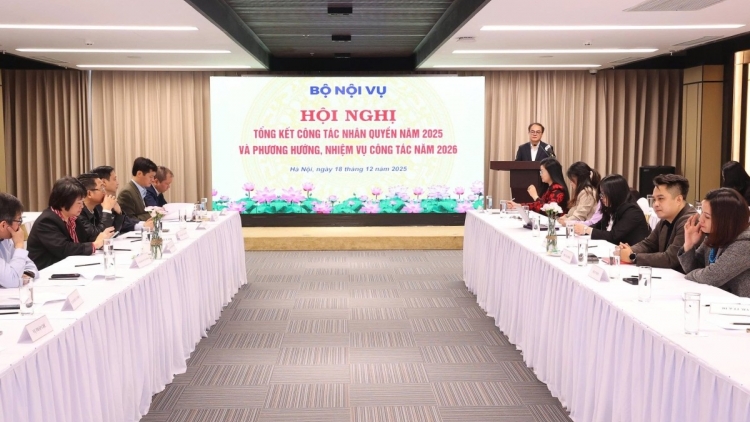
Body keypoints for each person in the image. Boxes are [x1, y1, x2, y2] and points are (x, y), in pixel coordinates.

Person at [27, 177, 114, 270]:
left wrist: (100, 239)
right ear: (64, 202)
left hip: (69, 267)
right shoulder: (47, 221)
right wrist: (95, 244)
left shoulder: (73, 218)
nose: (82, 206)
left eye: (82, 202)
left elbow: (86, 239)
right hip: (47, 272)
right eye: (79, 203)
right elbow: (64, 249)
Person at [678, 188, 750, 297]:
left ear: (725, 220)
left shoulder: (745, 243)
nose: (701, 220)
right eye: (702, 213)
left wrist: (690, 275)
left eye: (707, 216)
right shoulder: (715, 235)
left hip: (741, 305)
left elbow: (710, 277)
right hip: (718, 299)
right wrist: (689, 244)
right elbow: (693, 268)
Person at [619, 174, 696, 272]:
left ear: (678, 200)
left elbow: (671, 258)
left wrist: (633, 257)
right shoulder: (666, 218)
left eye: (661, 199)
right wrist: (627, 250)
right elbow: (648, 244)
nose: (655, 204)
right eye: (654, 199)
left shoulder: (690, 221)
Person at [574, 174, 649, 245]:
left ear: (615, 193)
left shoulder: (632, 212)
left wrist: (587, 229)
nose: (601, 197)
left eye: (604, 194)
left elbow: (613, 236)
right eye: (601, 194)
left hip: (632, 252)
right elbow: (599, 226)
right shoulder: (612, 208)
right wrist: (582, 229)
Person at [91, 165, 151, 233]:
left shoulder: (109, 199)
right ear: (104, 182)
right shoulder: (96, 204)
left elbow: (123, 223)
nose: (118, 183)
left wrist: (143, 224)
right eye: (114, 179)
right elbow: (104, 230)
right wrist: (107, 210)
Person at [0, 193, 38, 287]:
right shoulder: (13, 241)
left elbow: (31, 267)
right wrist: (19, 245)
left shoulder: (5, 240)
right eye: (18, 220)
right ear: (3, 225)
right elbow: (12, 281)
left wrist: (26, 276)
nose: (20, 226)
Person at [76, 173, 122, 242]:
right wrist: (107, 211)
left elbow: (113, 232)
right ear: (89, 194)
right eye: (102, 188)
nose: (105, 192)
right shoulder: (78, 212)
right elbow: (96, 237)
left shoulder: (97, 208)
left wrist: (118, 213)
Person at [118, 157, 158, 221]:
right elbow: (129, 220)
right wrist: (152, 214)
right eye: (151, 177)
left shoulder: (144, 188)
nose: (153, 180)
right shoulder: (127, 192)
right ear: (139, 174)